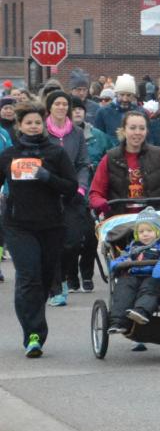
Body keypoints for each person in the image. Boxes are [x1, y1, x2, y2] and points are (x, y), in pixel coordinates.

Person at [0, 102, 80, 356]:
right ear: (20, 126)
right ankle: (33, 334)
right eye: (28, 123)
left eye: (37, 122)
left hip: (51, 226)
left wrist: (48, 177)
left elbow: (70, 186)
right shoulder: (9, 155)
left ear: (42, 125)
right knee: (28, 276)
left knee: (44, 280)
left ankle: (32, 316)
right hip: (18, 225)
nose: (33, 127)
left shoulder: (55, 154)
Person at [41, 89, 94, 303]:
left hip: (72, 194)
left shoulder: (77, 133)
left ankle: (61, 276)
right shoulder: (42, 131)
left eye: (65, 104)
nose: (62, 107)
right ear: (50, 107)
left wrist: (81, 188)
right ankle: (57, 286)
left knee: (72, 241)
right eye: (57, 104)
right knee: (52, 242)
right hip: (47, 195)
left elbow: (83, 163)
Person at [106, 207, 160, 332]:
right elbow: (123, 258)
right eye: (141, 231)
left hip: (154, 277)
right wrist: (118, 263)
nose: (145, 234)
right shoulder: (133, 247)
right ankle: (117, 321)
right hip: (133, 275)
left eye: (149, 230)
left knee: (150, 289)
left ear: (158, 231)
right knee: (123, 289)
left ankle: (141, 312)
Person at [89, 109, 160, 212]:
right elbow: (95, 193)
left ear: (147, 131)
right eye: (132, 128)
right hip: (120, 221)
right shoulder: (110, 158)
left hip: (154, 220)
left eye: (142, 128)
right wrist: (101, 203)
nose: (137, 132)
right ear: (123, 130)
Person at [94, 74, 137, 147]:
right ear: (116, 94)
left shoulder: (140, 112)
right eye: (122, 95)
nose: (125, 99)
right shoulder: (103, 112)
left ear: (133, 96)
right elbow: (99, 140)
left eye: (128, 95)